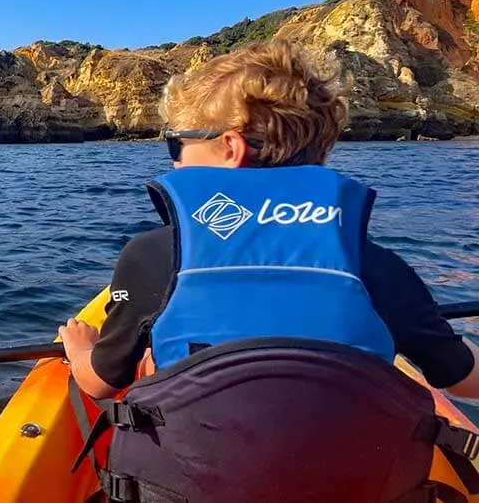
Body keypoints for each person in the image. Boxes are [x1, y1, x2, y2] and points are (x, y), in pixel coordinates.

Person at [60, 39, 479, 503]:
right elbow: (460, 377)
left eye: (177, 143)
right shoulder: (375, 265)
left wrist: (82, 351)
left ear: (229, 148)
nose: (175, 159)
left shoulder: (152, 256)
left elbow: (101, 381)